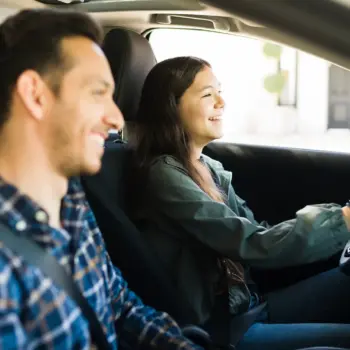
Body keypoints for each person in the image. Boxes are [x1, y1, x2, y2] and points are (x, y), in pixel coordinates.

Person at [0, 10, 205, 350]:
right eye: (98, 93)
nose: (115, 118)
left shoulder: (73, 203)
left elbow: (121, 308)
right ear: (36, 95)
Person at [129, 56, 350, 350]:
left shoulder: (208, 167)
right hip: (222, 329)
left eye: (220, 91)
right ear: (171, 106)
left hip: (249, 305)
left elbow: (257, 229)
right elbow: (251, 243)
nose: (221, 102)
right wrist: (342, 220)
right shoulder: (164, 176)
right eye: (208, 95)